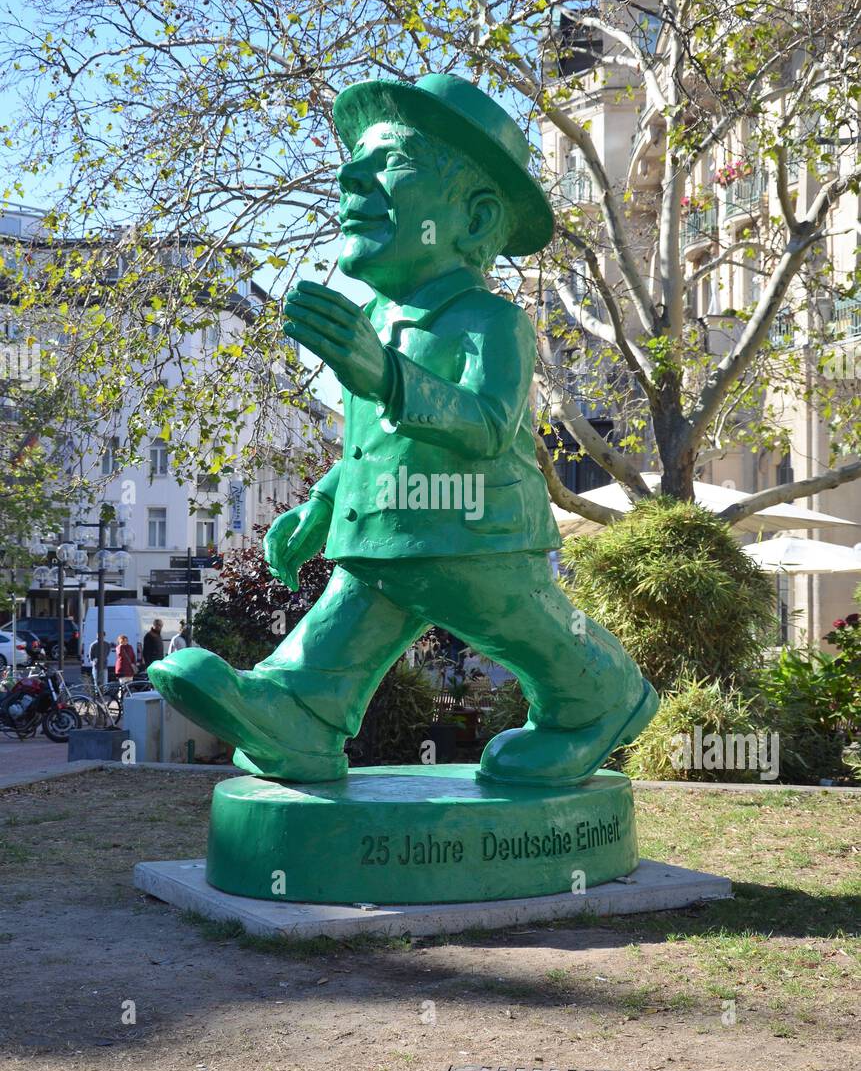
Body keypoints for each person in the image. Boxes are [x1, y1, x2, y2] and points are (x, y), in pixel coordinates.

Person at [148, 73, 657, 786]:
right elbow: (367, 446)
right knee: (359, 605)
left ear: (475, 221)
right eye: (352, 162)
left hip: (475, 534)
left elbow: (485, 425)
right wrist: (321, 507)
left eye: (387, 163)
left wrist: (384, 374)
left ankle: (602, 697)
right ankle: (299, 712)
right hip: (386, 536)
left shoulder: (491, 321)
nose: (350, 176)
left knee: (526, 626)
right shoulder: (381, 325)